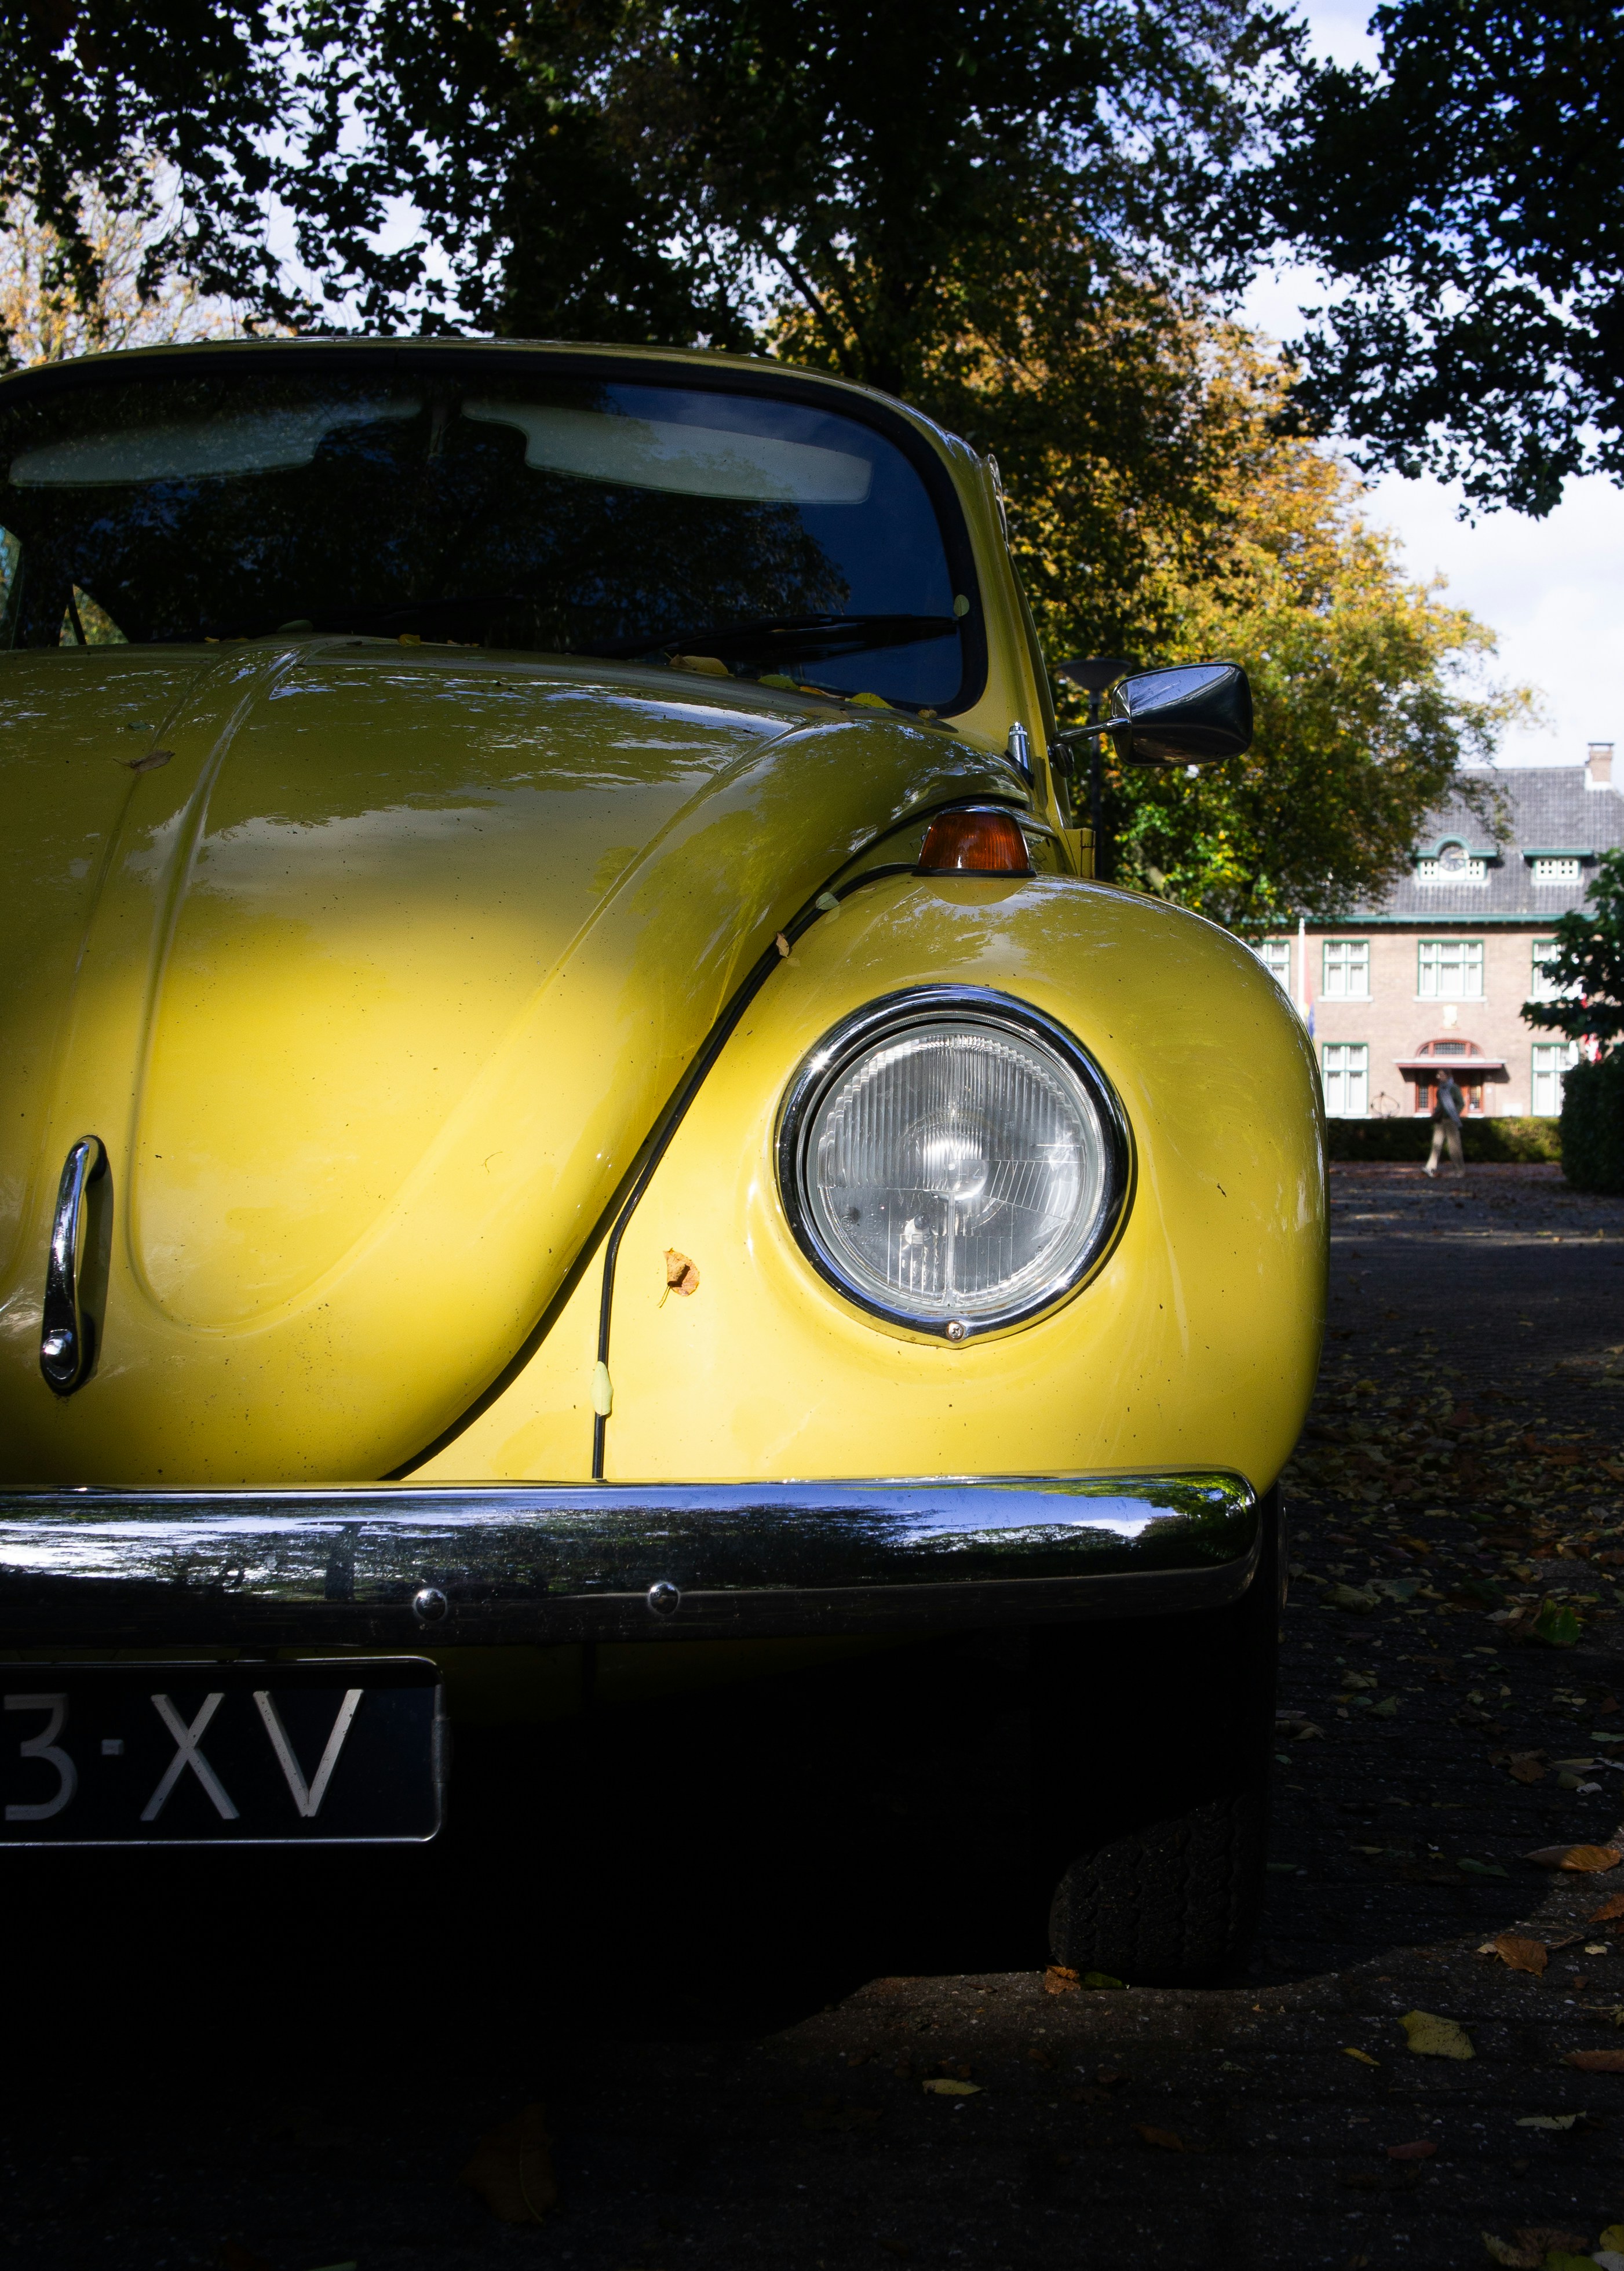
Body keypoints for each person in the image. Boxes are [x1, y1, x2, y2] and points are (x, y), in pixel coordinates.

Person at [1425, 1069, 1465, 1177]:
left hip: (1451, 1120)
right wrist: (1436, 1112)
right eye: (1439, 1075)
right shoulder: (1440, 1090)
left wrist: (1454, 1113)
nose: (1439, 1077)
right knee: (1436, 1145)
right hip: (1440, 1120)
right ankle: (1430, 1169)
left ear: (1448, 1076)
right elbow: (1439, 1104)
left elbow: (1461, 1103)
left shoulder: (1454, 1088)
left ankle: (1460, 1171)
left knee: (1454, 1147)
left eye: (1442, 1075)